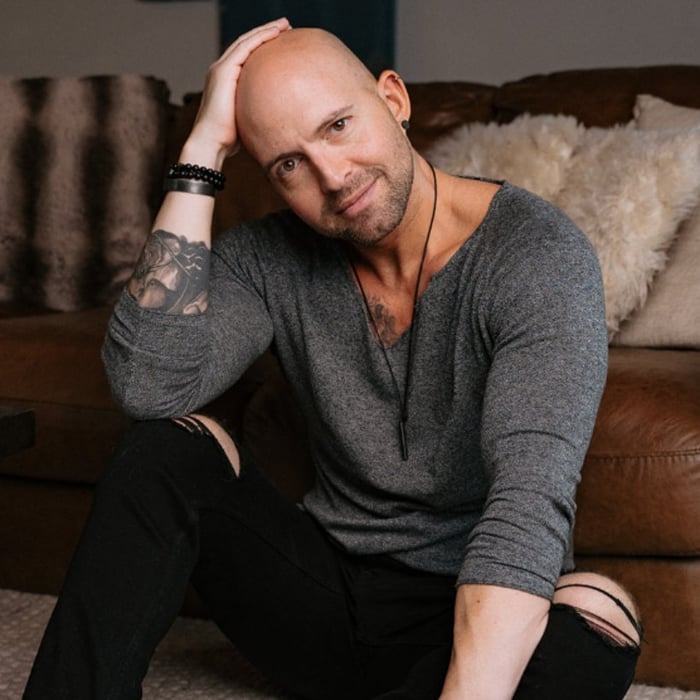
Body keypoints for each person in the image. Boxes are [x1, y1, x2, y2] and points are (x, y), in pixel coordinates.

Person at [24, 17, 642, 700]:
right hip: (320, 599)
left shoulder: (536, 256)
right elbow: (148, 386)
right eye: (288, 165)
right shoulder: (265, 258)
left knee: (599, 615)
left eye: (338, 126)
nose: (334, 176)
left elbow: (528, 507)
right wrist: (201, 152)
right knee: (165, 447)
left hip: (462, 618)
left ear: (394, 99)